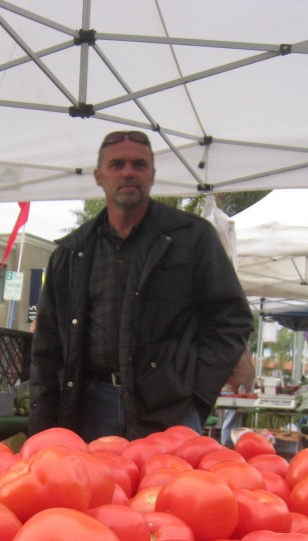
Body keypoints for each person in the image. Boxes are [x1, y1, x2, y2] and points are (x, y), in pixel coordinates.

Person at [28, 129, 254, 441]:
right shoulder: (70, 254)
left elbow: (232, 319)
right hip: (91, 408)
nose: (128, 173)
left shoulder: (192, 238)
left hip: (169, 409)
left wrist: (196, 393)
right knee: (97, 477)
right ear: (98, 176)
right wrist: (41, 426)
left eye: (139, 165)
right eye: (117, 165)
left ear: (152, 175)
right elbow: (47, 349)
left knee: (168, 477)